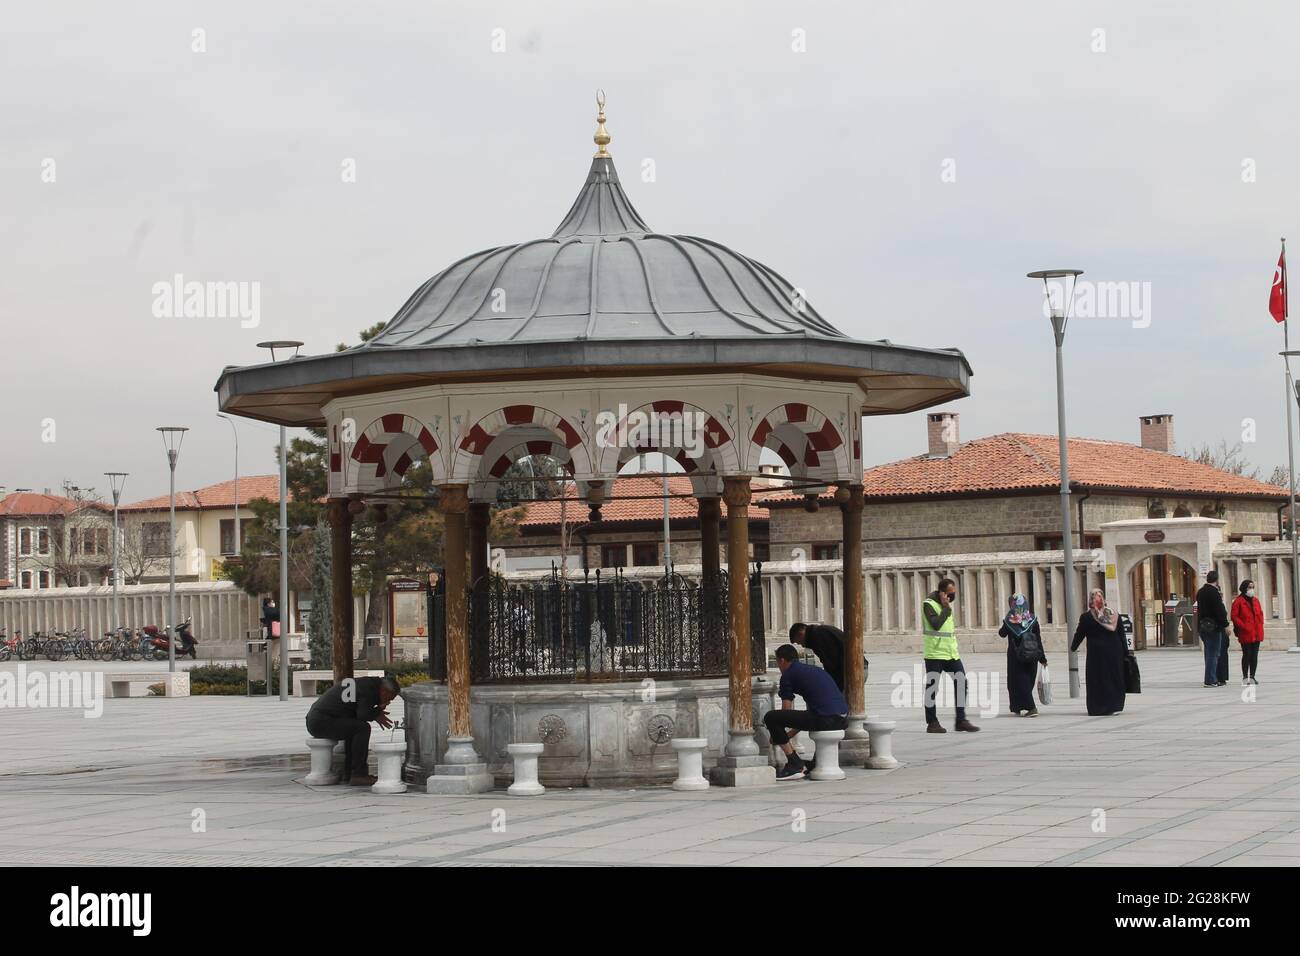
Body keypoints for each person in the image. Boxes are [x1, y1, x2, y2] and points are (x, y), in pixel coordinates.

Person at [764, 644, 849, 780]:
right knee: (808, 717)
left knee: (772, 717)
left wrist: (778, 735)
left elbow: (785, 712)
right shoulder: (814, 670)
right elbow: (811, 714)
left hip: (826, 719)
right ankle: (816, 763)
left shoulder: (788, 674)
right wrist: (789, 734)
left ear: (782, 661)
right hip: (843, 718)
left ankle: (794, 763)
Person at [305, 675, 402, 786]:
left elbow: (357, 713)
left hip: (316, 719)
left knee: (354, 727)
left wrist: (375, 713)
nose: (388, 702)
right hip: (321, 722)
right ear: (384, 690)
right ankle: (359, 774)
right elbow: (363, 715)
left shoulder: (366, 684)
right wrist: (378, 709)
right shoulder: (369, 690)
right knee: (362, 729)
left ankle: (350, 773)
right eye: (389, 698)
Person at [921, 577, 979, 733]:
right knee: (932, 688)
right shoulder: (929, 604)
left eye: (954, 593)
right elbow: (936, 624)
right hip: (934, 653)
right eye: (949, 593)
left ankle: (961, 720)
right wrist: (946, 608)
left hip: (951, 653)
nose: (952, 596)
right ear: (941, 593)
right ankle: (932, 722)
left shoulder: (947, 606)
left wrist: (947, 607)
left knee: (961, 682)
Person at [1070, 589, 1127, 715]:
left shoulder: (1086, 617)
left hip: (1096, 655)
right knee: (1113, 678)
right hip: (1114, 653)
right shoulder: (1113, 614)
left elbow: (1079, 634)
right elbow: (1121, 634)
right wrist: (1126, 652)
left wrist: (1073, 647)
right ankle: (1114, 706)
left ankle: (1097, 708)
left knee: (1097, 680)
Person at [998, 593, 1046, 717]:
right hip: (1032, 655)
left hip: (1016, 656)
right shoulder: (1032, 619)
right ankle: (1017, 706)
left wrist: (1008, 620)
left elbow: (1002, 633)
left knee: (1018, 682)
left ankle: (1031, 708)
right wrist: (1042, 658)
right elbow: (1038, 639)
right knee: (1028, 681)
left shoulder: (1011, 619)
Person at [1195, 571, 1230, 688]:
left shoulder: (1200, 592)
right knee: (1214, 653)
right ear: (1217, 580)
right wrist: (1226, 625)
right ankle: (1210, 680)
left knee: (1208, 652)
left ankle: (1211, 677)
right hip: (1213, 627)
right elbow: (1219, 611)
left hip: (1202, 626)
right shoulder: (1214, 592)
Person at [788, 622, 846, 690]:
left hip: (846, 672)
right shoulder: (818, 632)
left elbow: (831, 662)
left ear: (800, 634)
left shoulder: (817, 636)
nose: (803, 646)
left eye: (800, 642)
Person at [1231, 578, 1265, 685]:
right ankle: (1245, 676)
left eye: (1253, 587)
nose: (1252, 589)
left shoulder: (1255, 600)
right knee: (1247, 654)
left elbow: (1260, 613)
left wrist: (1261, 624)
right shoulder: (1238, 601)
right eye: (1250, 587)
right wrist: (1243, 626)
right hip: (1246, 633)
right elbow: (1234, 616)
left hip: (1256, 632)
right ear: (1244, 588)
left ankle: (1252, 676)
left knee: (1254, 655)